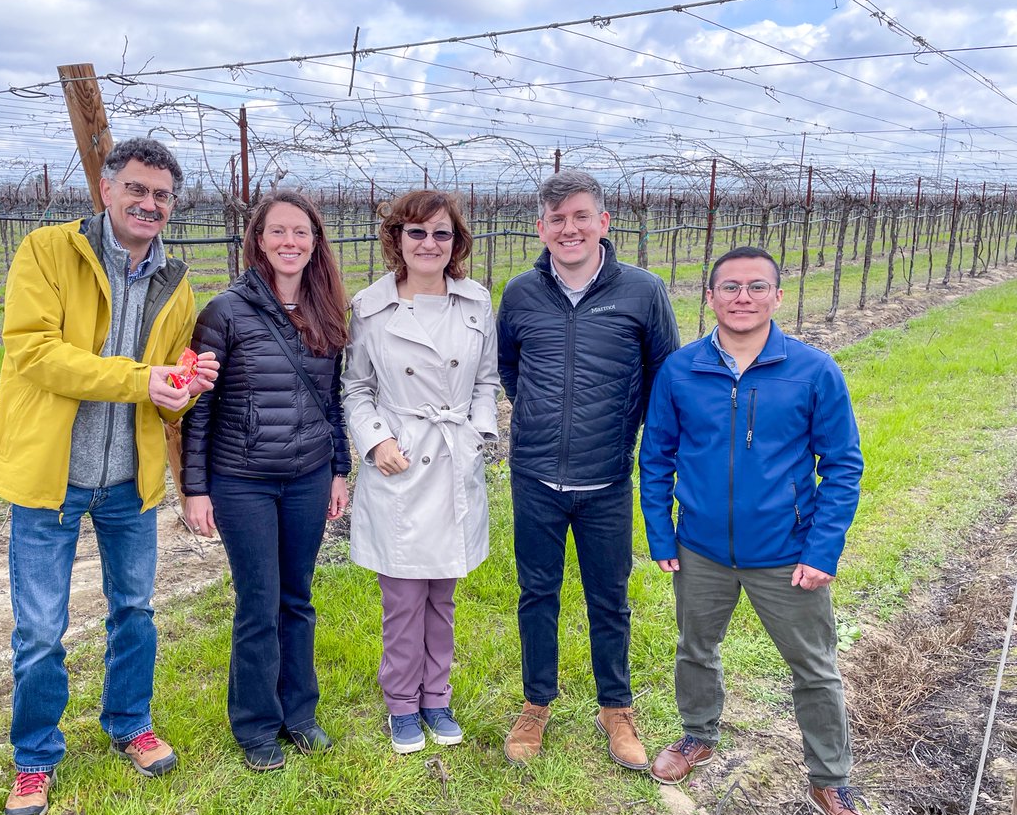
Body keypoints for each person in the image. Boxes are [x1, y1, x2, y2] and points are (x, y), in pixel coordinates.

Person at [0, 137, 219, 815]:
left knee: (134, 612)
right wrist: (142, 380)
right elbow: (36, 353)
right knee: (41, 631)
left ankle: (129, 724)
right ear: (107, 191)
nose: (149, 204)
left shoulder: (175, 280)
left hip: (128, 481)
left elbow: (168, 386)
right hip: (50, 477)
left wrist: (188, 386)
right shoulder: (48, 253)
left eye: (162, 196)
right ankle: (34, 760)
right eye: (137, 190)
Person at [638, 245, 875, 815]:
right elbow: (657, 456)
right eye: (731, 287)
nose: (743, 297)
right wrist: (662, 533)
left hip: (787, 553)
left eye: (756, 287)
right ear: (710, 296)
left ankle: (831, 783)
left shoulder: (813, 370)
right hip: (701, 549)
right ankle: (697, 735)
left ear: (777, 294)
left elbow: (842, 465)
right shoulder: (681, 370)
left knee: (815, 669)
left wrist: (822, 549)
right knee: (696, 648)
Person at [496, 169, 679, 768]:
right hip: (535, 477)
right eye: (556, 220)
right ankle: (535, 705)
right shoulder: (520, 293)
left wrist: (628, 440)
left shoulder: (643, 292)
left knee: (610, 598)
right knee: (536, 594)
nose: (568, 229)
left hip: (606, 478)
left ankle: (616, 709)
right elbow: (512, 373)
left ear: (603, 222)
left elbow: (662, 379)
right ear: (541, 228)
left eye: (580, 217)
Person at [181, 191, 351, 772]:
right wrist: (195, 487)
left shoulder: (327, 309)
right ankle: (255, 724)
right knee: (259, 601)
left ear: (314, 242)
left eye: (300, 233)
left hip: (306, 476)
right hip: (242, 481)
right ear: (257, 239)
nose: (289, 242)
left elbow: (332, 401)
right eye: (277, 231)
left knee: (297, 599)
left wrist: (338, 470)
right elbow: (199, 407)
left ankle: (299, 715)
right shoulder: (224, 312)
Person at [343, 190, 500, 754]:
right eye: (416, 233)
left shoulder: (477, 302)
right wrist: (376, 440)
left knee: (443, 594)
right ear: (397, 240)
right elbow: (357, 387)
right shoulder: (369, 307)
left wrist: (480, 432)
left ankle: (437, 695)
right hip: (402, 460)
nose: (429, 244)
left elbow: (487, 378)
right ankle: (402, 704)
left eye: (441, 233)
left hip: (453, 456)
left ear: (456, 242)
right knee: (403, 597)